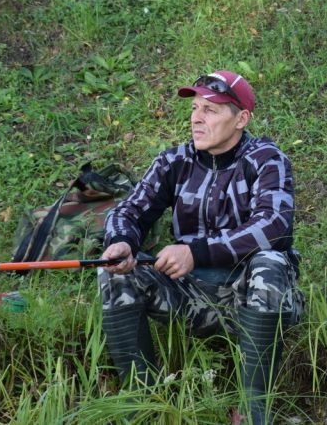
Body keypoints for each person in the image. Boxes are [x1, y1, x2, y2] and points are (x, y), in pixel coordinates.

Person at [99, 70, 303, 425]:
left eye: (210, 110)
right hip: (191, 299)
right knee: (116, 273)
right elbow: (127, 211)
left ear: (241, 119)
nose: (196, 117)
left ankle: (256, 410)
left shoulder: (266, 159)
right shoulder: (173, 162)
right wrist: (122, 242)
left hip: (255, 301)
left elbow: (274, 226)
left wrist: (196, 252)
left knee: (270, 262)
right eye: (194, 108)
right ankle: (141, 404)